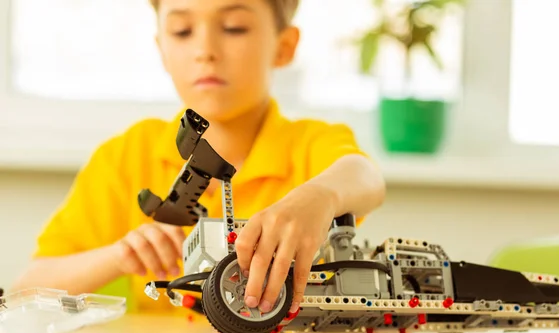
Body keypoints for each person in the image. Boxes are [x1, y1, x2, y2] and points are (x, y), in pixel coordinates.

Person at [10, 0, 386, 315]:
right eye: (182, 31)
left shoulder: (309, 144)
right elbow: (26, 291)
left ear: (284, 46)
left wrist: (320, 196)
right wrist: (118, 257)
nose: (205, 50)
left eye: (235, 27)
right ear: (162, 50)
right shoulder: (127, 156)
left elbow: (365, 177)